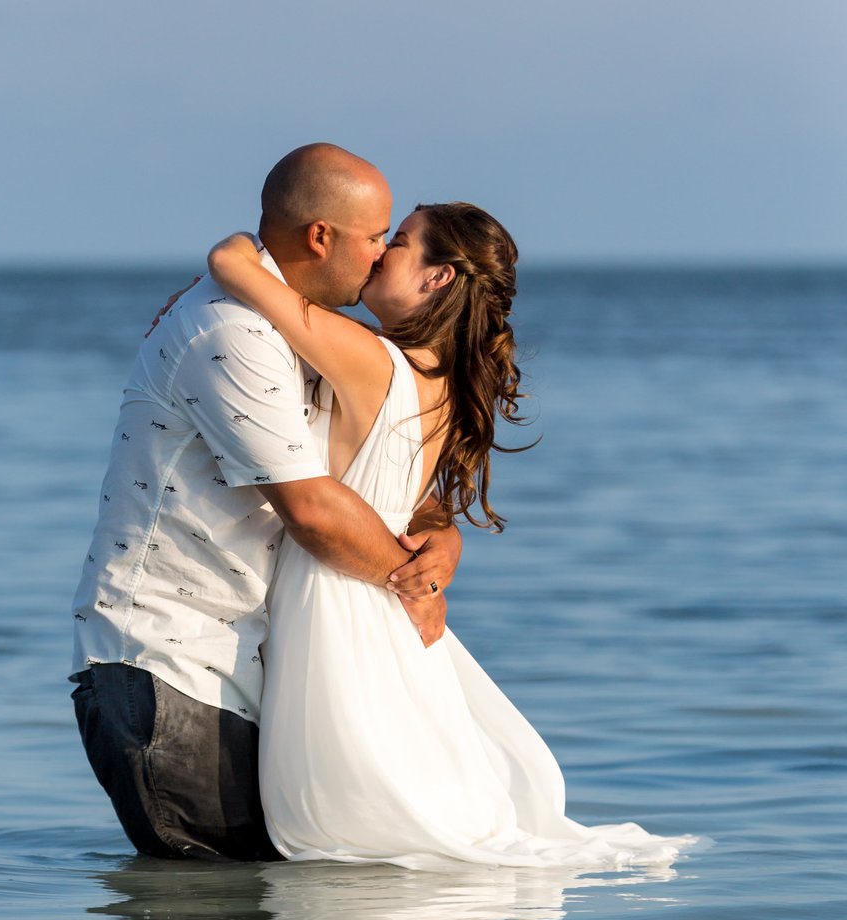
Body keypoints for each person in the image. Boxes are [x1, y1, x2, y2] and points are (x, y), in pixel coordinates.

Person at [207, 205, 694, 869]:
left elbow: (230, 267)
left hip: (339, 599)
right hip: (393, 608)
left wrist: (250, 241)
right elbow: (419, 502)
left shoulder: (368, 358)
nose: (378, 255)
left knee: (339, 822)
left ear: (437, 278)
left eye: (397, 243)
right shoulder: (446, 377)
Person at [70, 144, 461, 862]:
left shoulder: (298, 330)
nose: (380, 257)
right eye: (376, 238)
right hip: (172, 667)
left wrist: (439, 537)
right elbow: (312, 510)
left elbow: (385, 477)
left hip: (243, 674)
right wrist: (414, 582)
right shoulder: (233, 333)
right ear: (321, 236)